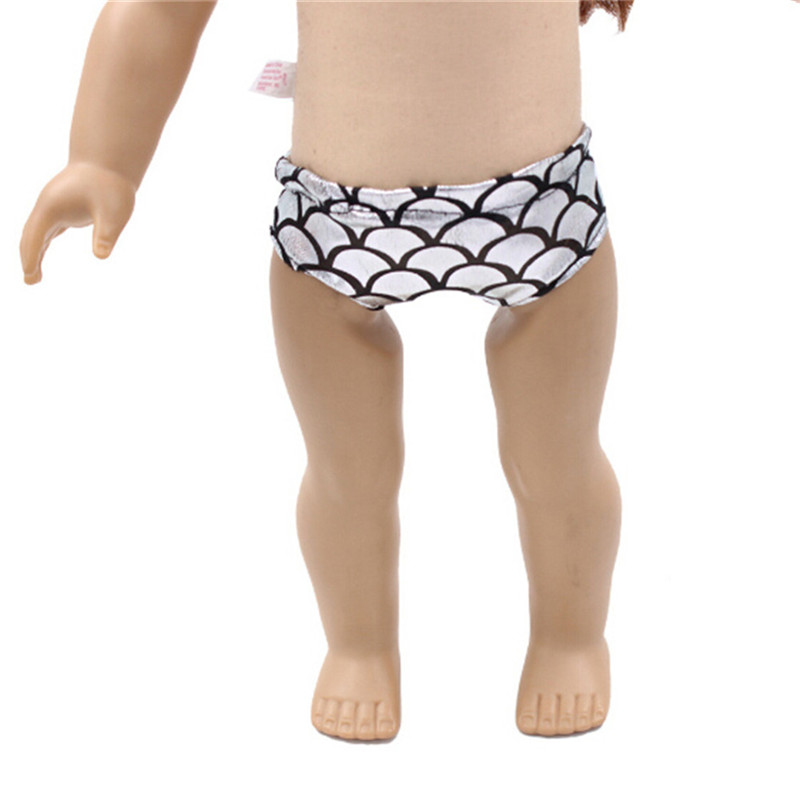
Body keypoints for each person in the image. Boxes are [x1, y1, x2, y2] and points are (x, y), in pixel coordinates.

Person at [19, 0, 632, 742]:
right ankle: (358, 646)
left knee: (557, 460)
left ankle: (571, 636)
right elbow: (163, 9)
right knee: (348, 473)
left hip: (540, 205)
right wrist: (102, 158)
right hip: (336, 220)